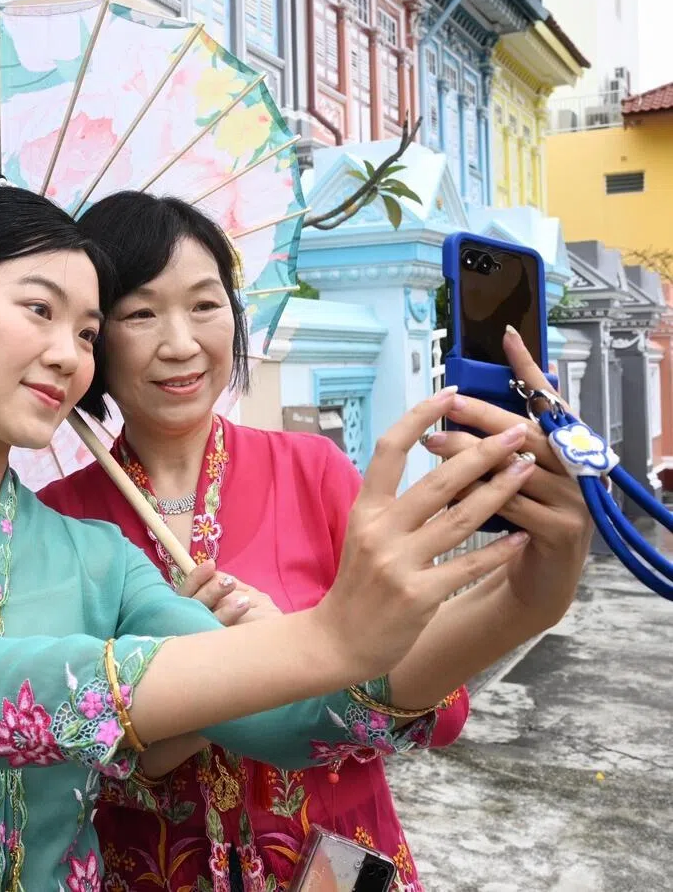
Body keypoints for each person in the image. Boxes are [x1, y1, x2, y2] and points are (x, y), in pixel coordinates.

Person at [0, 167, 546, 892]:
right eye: (38, 310)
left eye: (87, 332)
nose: (67, 354)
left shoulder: (96, 552)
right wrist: (330, 636)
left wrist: (529, 593)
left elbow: (295, 723)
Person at [39, 191, 591, 892]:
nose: (181, 342)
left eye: (206, 305)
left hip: (333, 863)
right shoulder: (57, 520)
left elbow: (439, 707)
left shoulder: (313, 470)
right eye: (140, 313)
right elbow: (66, 761)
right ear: (93, 337)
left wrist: (528, 595)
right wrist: (228, 677)